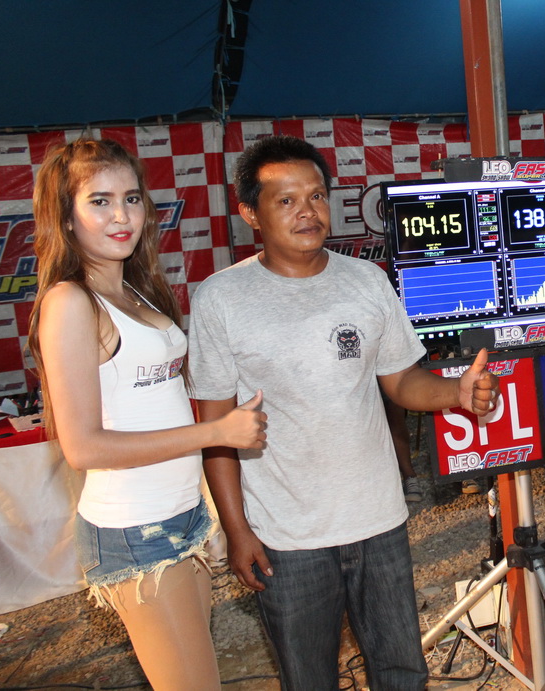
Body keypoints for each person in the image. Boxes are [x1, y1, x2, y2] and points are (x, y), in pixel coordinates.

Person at [187, 135, 499, 691]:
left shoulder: (366, 281)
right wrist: (237, 531)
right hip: (286, 535)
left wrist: (456, 392)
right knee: (309, 679)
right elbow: (214, 432)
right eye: (286, 200)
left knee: (402, 672)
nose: (307, 211)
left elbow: (400, 380)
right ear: (250, 213)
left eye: (316, 196)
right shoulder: (221, 299)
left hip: (379, 521)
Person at [26, 139, 267, 690]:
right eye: (100, 201)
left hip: (182, 515)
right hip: (135, 529)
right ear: (65, 216)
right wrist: (213, 432)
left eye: (131, 198)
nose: (122, 216)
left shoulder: (135, 288)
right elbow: (83, 447)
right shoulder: (70, 302)